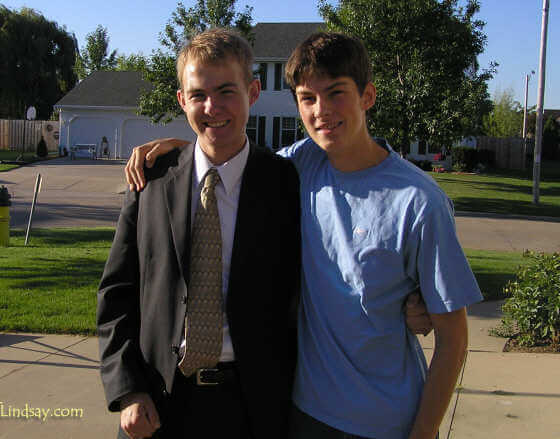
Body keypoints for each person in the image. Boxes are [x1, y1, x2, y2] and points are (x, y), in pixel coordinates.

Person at [125, 31, 482, 439]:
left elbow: (454, 340)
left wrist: (424, 431)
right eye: (307, 99)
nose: (322, 111)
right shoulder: (300, 166)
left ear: (368, 96)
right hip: (299, 411)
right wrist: (187, 151)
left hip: (385, 421)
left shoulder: (420, 202)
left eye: (336, 93)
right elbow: (230, 156)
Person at [97, 28, 301, 439]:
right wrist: (128, 388)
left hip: (253, 408)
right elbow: (117, 292)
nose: (212, 107)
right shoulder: (151, 180)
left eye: (227, 91)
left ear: (254, 91)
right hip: (158, 403)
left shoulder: (286, 185)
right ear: (181, 100)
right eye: (198, 95)